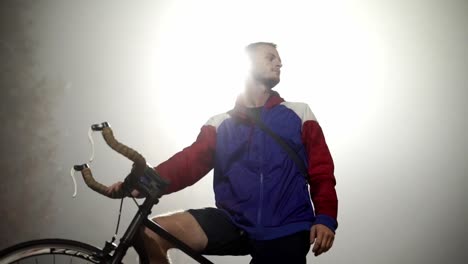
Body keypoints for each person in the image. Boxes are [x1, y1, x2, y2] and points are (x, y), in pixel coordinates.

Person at [109, 42, 338, 264]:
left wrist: (326, 217)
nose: (279, 64)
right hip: (234, 222)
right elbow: (189, 162)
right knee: (149, 232)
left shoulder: (299, 113)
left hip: (287, 227)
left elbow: (321, 171)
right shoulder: (219, 124)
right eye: (271, 58)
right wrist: (143, 182)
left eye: (279, 60)